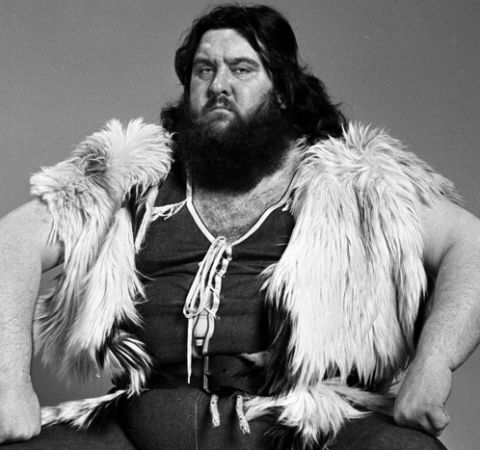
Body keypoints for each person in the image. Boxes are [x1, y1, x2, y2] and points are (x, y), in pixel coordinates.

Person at [0, 4, 479, 449]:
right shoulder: (134, 177)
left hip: (308, 426)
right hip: (141, 425)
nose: (219, 85)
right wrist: (9, 383)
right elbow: (13, 241)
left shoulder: (354, 182)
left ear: (282, 89)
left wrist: (434, 362)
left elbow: (469, 244)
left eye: (242, 69)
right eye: (204, 69)